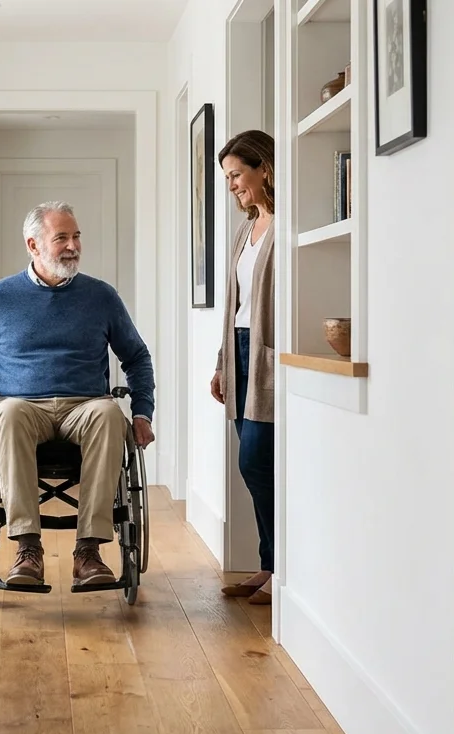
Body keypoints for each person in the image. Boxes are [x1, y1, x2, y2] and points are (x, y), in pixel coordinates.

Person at [0, 201, 156, 588]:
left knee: (111, 414)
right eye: (61, 237)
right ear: (33, 244)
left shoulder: (101, 297)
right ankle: (27, 549)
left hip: (85, 405)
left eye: (76, 236)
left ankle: (88, 551)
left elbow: (137, 357)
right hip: (22, 405)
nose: (73, 245)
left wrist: (142, 412)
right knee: (5, 416)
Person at [211, 130, 277, 606]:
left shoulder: (286, 224)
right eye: (228, 177)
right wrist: (220, 364)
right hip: (238, 350)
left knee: (258, 460)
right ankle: (267, 565)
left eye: (236, 174)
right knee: (253, 466)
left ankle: (283, 568)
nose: (232, 185)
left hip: (267, 352)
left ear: (264, 168)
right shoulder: (245, 229)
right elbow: (234, 306)